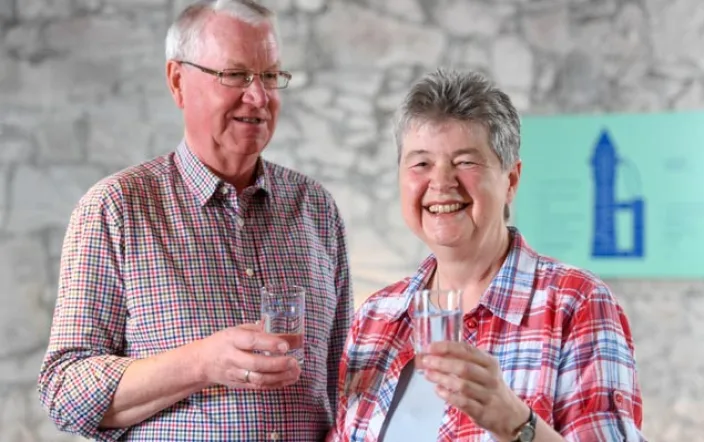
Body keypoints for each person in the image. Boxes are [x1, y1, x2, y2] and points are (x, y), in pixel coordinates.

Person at [37, 1, 352, 440]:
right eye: (236, 74)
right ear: (177, 81)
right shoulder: (116, 208)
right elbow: (64, 391)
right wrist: (202, 363)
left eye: (269, 76)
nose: (259, 96)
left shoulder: (316, 208)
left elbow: (346, 389)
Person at [329, 68, 646, 442]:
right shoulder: (376, 316)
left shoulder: (575, 304)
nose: (441, 182)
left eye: (465, 161)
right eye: (421, 163)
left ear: (511, 180)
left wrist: (516, 422)